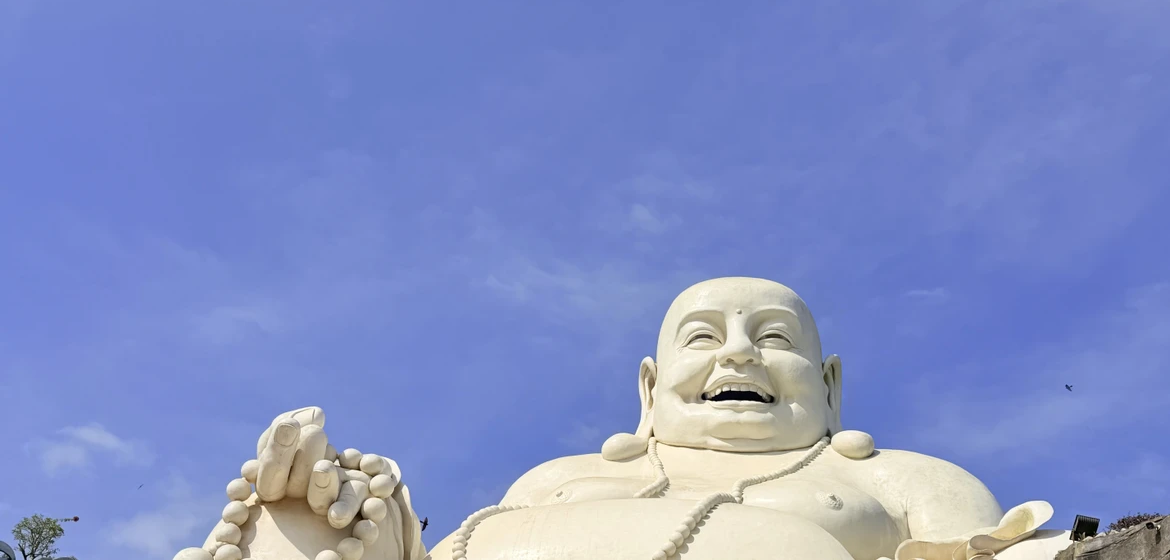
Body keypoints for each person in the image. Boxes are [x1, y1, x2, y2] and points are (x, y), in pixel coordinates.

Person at [174, 277, 1072, 560]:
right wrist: (368, 525)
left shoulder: (894, 479)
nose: (739, 356)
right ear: (647, 388)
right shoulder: (556, 482)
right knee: (295, 520)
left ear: (831, 385)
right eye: (705, 337)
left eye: (772, 338)